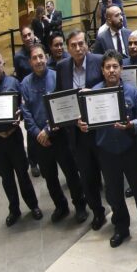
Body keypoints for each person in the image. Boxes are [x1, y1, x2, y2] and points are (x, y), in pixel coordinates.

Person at [79, 51, 137, 247]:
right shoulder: (94, 93)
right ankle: (121, 228)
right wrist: (83, 125)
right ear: (102, 70)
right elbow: (87, 122)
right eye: (107, 67)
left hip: (130, 149)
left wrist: (131, 125)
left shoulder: (131, 92)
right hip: (107, 151)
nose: (111, 71)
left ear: (121, 69)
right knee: (114, 193)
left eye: (115, 67)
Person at [20, 43, 87, 223]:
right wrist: (38, 133)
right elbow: (26, 114)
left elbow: (64, 105)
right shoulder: (25, 84)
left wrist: (48, 130)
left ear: (47, 58)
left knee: (71, 173)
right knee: (49, 177)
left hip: (60, 136)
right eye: (34, 58)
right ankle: (61, 206)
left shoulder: (58, 77)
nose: (38, 60)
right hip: (40, 141)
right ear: (30, 62)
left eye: (41, 56)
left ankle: (80, 205)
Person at [0, 51, 43, 226]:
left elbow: (23, 106)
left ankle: (33, 206)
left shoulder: (14, 83)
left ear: (4, 63)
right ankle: (14, 210)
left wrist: (20, 114)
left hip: (13, 137)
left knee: (23, 174)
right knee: (6, 178)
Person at [55, 30, 106, 229]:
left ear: (87, 44)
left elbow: (110, 87)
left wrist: (92, 93)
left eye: (81, 44)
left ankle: (118, 214)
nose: (78, 48)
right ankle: (98, 212)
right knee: (87, 177)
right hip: (78, 134)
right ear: (68, 48)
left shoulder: (99, 60)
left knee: (108, 174)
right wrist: (73, 120)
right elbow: (62, 99)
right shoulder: (62, 67)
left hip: (100, 130)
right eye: (73, 45)